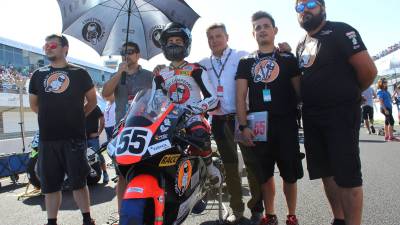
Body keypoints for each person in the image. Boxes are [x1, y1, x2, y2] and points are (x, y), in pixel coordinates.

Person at [295, 0, 377, 225]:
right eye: (299, 7)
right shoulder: (301, 43)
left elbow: (368, 71)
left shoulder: (342, 30)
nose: (305, 10)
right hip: (311, 116)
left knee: (347, 175)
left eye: (310, 4)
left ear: (322, 7)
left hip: (340, 113)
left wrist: (348, 93)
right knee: (326, 172)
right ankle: (339, 220)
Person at [236, 11, 303, 225]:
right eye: (257, 27)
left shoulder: (288, 58)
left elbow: (301, 92)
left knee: (289, 174)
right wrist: (244, 125)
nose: (262, 30)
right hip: (259, 126)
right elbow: (240, 96)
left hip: (286, 125)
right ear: (253, 33)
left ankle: (291, 215)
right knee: (265, 175)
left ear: (275, 30)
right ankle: (270, 214)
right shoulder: (246, 62)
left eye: (266, 26)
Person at [199, 23, 264, 225]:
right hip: (219, 120)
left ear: (227, 37)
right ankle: (237, 209)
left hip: (243, 118)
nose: (214, 40)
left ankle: (257, 209)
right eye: (210, 37)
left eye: (218, 36)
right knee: (230, 167)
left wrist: (281, 49)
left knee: (253, 166)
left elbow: (265, 59)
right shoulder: (202, 63)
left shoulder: (242, 55)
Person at [29, 34, 97, 225]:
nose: (47, 48)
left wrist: (78, 116)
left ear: (65, 48)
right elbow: (34, 105)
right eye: (45, 45)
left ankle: (87, 219)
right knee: (50, 186)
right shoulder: (38, 74)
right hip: (47, 139)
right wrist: (51, 118)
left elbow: (92, 101)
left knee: (79, 182)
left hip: (74, 138)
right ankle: (51, 222)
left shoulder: (80, 73)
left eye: (52, 44)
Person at [153, 22, 221, 187]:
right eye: (170, 41)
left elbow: (213, 97)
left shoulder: (196, 69)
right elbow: (153, 102)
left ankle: (210, 166)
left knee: (198, 132)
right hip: (168, 119)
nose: (174, 44)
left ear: (186, 44)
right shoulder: (159, 74)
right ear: (164, 45)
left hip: (193, 116)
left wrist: (196, 109)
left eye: (178, 41)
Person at [102, 42, 153, 213]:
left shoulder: (149, 75)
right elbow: (105, 94)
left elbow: (159, 98)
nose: (126, 55)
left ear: (138, 55)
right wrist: (119, 74)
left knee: (146, 172)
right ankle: (122, 214)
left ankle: (147, 212)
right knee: (122, 176)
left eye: (131, 52)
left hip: (145, 129)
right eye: (123, 52)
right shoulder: (118, 75)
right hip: (121, 131)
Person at [86, 104, 108, 183]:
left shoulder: (94, 106)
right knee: (85, 159)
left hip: (93, 138)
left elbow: (102, 118)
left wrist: (99, 132)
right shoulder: (76, 106)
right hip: (81, 138)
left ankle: (105, 173)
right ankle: (90, 177)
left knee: (98, 155)